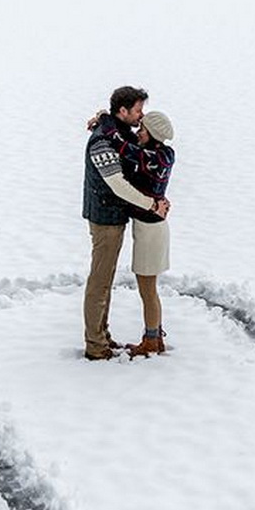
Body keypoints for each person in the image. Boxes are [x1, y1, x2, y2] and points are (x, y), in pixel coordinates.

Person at [82, 87, 169, 361]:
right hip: (105, 218)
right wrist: (152, 205)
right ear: (123, 111)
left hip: (115, 216)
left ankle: (103, 336)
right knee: (100, 282)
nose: (141, 117)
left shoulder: (117, 131)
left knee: (105, 281)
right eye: (138, 111)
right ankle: (95, 345)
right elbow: (118, 185)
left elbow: (138, 151)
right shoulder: (102, 143)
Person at [107, 109, 175, 358]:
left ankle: (151, 340)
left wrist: (105, 119)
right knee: (149, 289)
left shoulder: (151, 157)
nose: (138, 132)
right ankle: (155, 335)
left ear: (154, 135)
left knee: (147, 290)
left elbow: (120, 145)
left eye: (143, 129)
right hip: (154, 227)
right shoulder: (165, 153)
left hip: (150, 231)